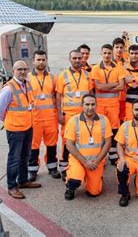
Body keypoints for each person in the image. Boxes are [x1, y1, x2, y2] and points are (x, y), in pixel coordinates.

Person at [0, 60, 41, 199]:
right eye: (19, 69)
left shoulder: (27, 84)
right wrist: (9, 120)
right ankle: (12, 186)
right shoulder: (8, 88)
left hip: (28, 126)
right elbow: (0, 110)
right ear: (13, 71)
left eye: (25, 69)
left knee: (25, 156)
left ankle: (22, 181)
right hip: (15, 129)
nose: (22, 72)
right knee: (14, 158)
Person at [63, 94, 112, 200]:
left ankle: (94, 178)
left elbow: (108, 142)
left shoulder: (104, 120)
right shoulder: (73, 121)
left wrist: (97, 161)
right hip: (79, 160)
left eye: (93, 104)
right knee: (75, 180)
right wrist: (85, 162)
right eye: (87, 104)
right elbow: (69, 144)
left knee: (94, 193)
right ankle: (70, 186)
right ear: (82, 105)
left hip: (96, 162)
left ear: (96, 105)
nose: (90, 107)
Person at [56, 50, 94, 180]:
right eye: (74, 58)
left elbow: (90, 94)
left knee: (83, 140)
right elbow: (58, 95)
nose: (77, 60)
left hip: (85, 115)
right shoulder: (63, 75)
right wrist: (59, 114)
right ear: (69, 59)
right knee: (67, 141)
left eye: (79, 58)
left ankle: (81, 164)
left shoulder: (87, 75)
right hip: (69, 115)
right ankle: (64, 167)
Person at [27, 50, 61, 181]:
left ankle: (52, 167)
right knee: (34, 145)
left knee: (52, 144)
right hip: (35, 118)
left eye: (43, 60)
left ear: (46, 61)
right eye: (38, 60)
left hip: (50, 118)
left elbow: (57, 98)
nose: (41, 62)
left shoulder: (53, 78)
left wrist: (58, 114)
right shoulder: (28, 78)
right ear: (33, 61)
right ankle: (32, 169)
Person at [91, 44, 125, 165]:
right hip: (100, 105)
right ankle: (101, 157)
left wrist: (104, 87)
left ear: (112, 54)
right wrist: (113, 85)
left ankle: (113, 155)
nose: (107, 55)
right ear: (101, 53)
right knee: (100, 130)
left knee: (114, 130)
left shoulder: (118, 68)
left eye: (109, 53)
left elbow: (121, 86)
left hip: (113, 105)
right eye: (104, 53)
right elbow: (98, 87)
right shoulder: (95, 69)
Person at [123, 45, 138, 121]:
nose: (134, 55)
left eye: (136, 53)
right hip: (129, 102)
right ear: (129, 54)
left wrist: (133, 79)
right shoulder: (125, 68)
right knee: (130, 123)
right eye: (132, 53)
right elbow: (131, 85)